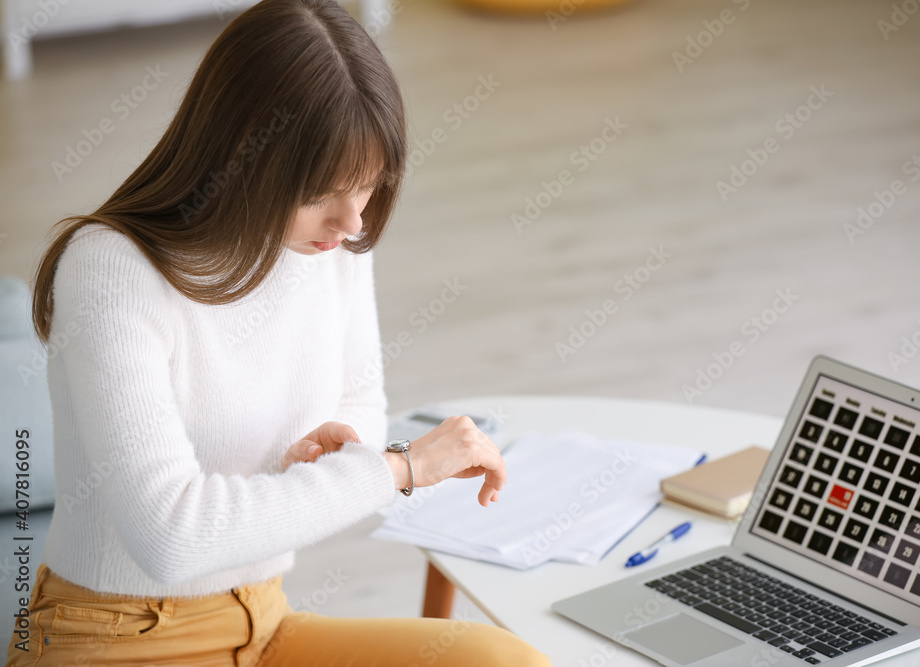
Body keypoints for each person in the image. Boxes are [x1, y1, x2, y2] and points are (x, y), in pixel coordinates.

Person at [5, 1, 552, 665]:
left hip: (262, 620)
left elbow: (360, 413)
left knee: (502, 661)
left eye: (370, 186)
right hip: (111, 637)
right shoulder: (112, 269)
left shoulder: (335, 249)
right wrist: (401, 468)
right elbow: (171, 537)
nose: (353, 220)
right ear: (242, 156)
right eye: (324, 191)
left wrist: (315, 462)